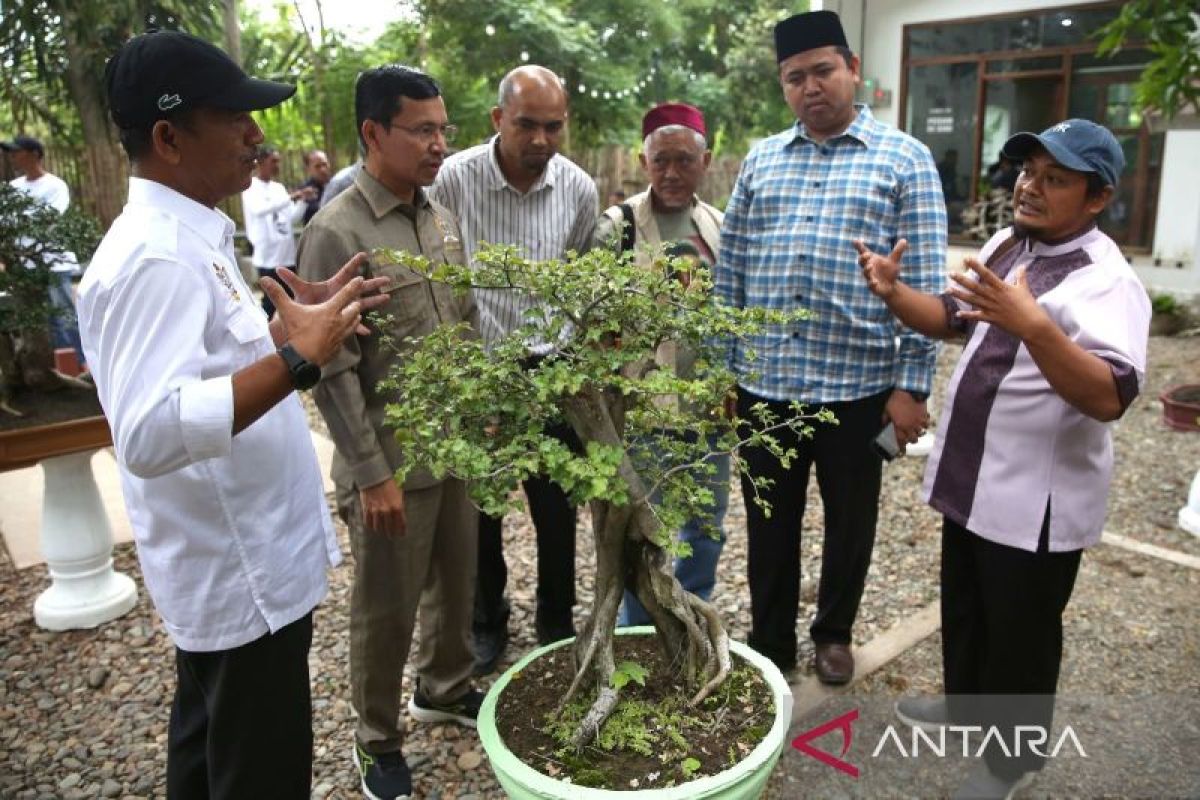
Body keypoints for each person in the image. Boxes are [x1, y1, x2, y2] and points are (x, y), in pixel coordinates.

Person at [79, 30, 388, 799]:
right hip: (238, 574)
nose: (257, 134)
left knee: (209, 751)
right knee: (259, 770)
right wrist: (297, 359)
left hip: (243, 567)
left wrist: (287, 329)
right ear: (168, 137)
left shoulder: (194, 234)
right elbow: (147, 433)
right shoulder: (155, 258)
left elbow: (206, 370)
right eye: (236, 117)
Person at [859, 118, 1148, 799]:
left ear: (1097, 197)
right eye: (1027, 172)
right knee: (967, 608)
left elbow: (1109, 396)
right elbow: (953, 321)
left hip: (1035, 502)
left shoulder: (1108, 281)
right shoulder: (1010, 244)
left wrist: (1036, 327)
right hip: (972, 478)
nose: (1031, 187)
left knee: (1020, 632)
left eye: (1055, 179)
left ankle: (1008, 763)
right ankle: (967, 712)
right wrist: (894, 291)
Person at [713, 9, 946, 685]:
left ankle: (834, 633)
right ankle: (771, 642)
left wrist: (912, 387)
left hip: (860, 390)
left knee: (851, 524)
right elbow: (732, 271)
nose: (810, 87)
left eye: (821, 71)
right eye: (794, 77)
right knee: (769, 524)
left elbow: (925, 279)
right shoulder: (761, 159)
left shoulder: (904, 159)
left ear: (852, 71)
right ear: (783, 87)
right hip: (768, 387)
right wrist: (727, 370)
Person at [298, 64, 483, 800]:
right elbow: (332, 369)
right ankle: (374, 738)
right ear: (375, 132)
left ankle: (443, 687)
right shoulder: (335, 230)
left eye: (444, 129)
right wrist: (371, 473)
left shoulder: (438, 215)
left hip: (456, 449)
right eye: (423, 130)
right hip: (391, 467)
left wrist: (484, 413)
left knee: (455, 586)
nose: (439, 144)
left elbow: (462, 323)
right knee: (384, 609)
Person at [429, 64, 598, 675]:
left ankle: (556, 620)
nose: (541, 140)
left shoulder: (578, 189)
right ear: (498, 119)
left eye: (553, 126)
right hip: (481, 372)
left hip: (551, 374)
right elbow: (438, 273)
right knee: (481, 511)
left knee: (557, 509)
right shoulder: (452, 180)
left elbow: (581, 280)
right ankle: (486, 620)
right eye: (526, 125)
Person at [593, 102, 729, 626]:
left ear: (706, 160)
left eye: (684, 161)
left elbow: (730, 314)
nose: (672, 173)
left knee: (706, 526)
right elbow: (593, 322)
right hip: (641, 416)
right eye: (660, 161)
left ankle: (692, 620)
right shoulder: (617, 228)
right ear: (643, 161)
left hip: (708, 414)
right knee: (642, 530)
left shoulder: (717, 227)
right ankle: (640, 631)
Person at [2, 134, 84, 364]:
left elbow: (50, 217)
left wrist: (18, 220)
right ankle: (50, 367)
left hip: (54, 261)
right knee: (39, 320)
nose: (12, 157)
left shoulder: (55, 186)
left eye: (16, 151)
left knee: (64, 315)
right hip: (24, 264)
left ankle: (78, 363)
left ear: (35, 154)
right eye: (10, 152)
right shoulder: (12, 188)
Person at [241, 146, 315, 316]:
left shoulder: (279, 188)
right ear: (260, 162)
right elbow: (260, 209)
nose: (277, 165)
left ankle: (291, 340)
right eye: (273, 161)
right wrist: (293, 196)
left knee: (291, 300)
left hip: (287, 255)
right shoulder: (250, 187)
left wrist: (303, 201)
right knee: (270, 302)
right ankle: (270, 339)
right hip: (267, 257)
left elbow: (291, 218)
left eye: (278, 161)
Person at [299, 148, 331, 224]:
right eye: (317, 166)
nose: (322, 169)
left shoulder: (336, 185)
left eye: (324, 164)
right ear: (308, 169)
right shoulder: (305, 191)